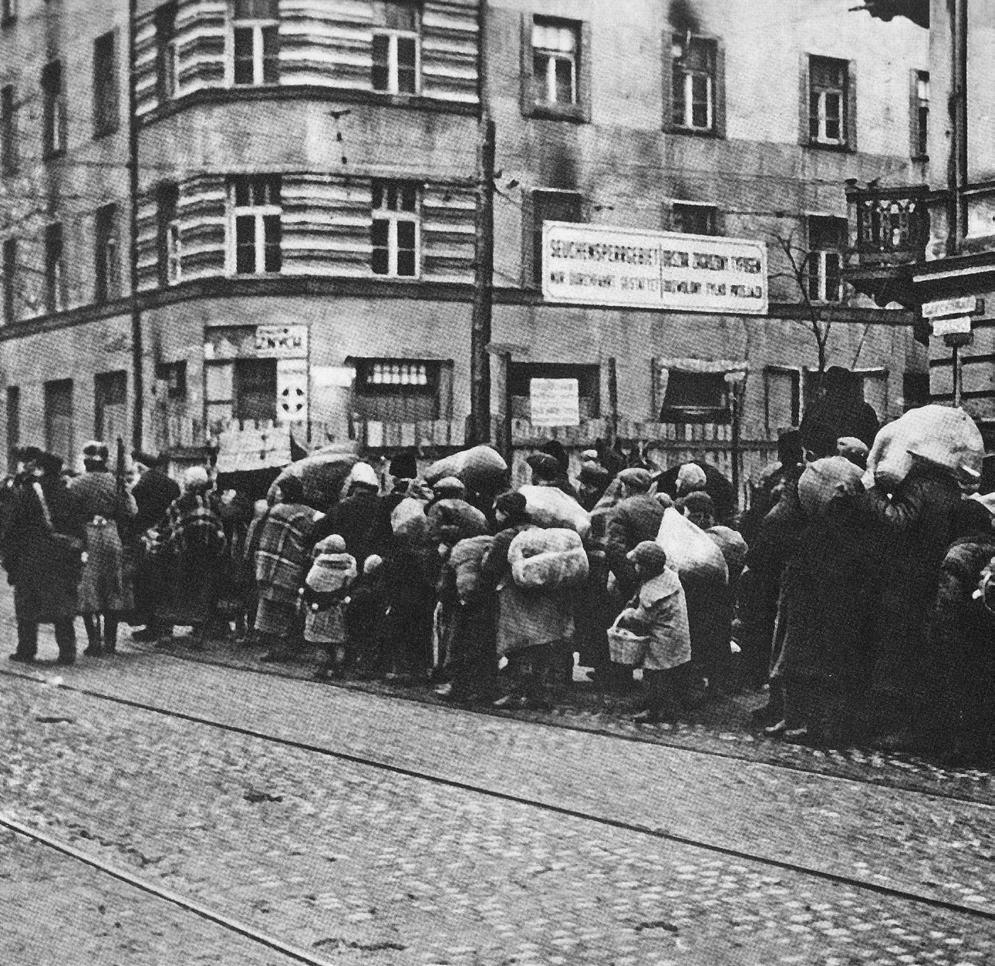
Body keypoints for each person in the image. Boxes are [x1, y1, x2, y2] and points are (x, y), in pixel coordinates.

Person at [849, 454, 963, 750]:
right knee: (919, 652)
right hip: (933, 573)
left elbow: (896, 519)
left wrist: (871, 494)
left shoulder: (918, 485)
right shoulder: (951, 487)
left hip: (906, 577)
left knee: (895, 650)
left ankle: (898, 729)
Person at [483, 491, 574, 710]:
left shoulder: (505, 537)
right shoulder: (539, 533)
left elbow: (490, 569)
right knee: (539, 644)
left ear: (504, 513)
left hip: (516, 597)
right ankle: (538, 693)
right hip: (544, 596)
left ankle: (517, 693)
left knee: (517, 646)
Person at [1, 452, 84, 666]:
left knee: (27, 602)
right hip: (62, 556)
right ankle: (67, 652)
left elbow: (13, 526)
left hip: (33, 555)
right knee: (62, 603)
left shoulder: (28, 492)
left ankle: (27, 650)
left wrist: (9, 558)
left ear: (41, 468)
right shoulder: (68, 493)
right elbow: (79, 528)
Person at [69, 441, 137, 656]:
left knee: (89, 587)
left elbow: (68, 511)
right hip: (111, 534)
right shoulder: (117, 482)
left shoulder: (76, 483)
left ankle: (94, 642)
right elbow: (132, 510)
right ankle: (111, 642)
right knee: (113, 585)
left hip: (87, 535)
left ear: (87, 461)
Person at [612, 541, 692, 723]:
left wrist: (628, 615)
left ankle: (655, 710)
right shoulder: (668, 577)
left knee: (654, 674)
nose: (635, 567)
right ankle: (666, 705)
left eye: (638, 564)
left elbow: (642, 618)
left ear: (647, 568)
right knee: (669, 672)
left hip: (662, 638)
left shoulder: (653, 593)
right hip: (677, 632)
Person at [151, 466, 227, 648]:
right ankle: (198, 635)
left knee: (174, 592)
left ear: (186, 483)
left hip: (181, 555)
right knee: (201, 593)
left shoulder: (178, 503)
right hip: (206, 555)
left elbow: (169, 529)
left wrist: (160, 546)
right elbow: (218, 530)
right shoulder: (213, 503)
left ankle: (166, 635)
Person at [252, 475, 314, 662]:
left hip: (272, 567)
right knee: (289, 609)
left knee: (271, 609)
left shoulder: (277, 511)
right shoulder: (308, 513)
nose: (277, 494)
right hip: (292, 567)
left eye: (280, 490)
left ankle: (275, 650)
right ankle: (289, 647)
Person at [130, 451, 180, 642]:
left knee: (147, 584)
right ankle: (166, 626)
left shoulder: (142, 484)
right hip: (168, 537)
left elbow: (134, 512)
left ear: (141, 466)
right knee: (167, 583)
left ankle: (152, 626)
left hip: (146, 539)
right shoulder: (172, 484)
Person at [304, 534, 358, 680]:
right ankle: (338, 668)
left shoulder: (319, 564)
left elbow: (310, 582)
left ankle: (321, 668)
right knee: (338, 641)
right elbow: (349, 583)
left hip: (319, 609)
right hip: (337, 608)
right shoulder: (349, 564)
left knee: (320, 642)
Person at [309, 462, 381, 568]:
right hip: (370, 567)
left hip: (344, 566)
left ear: (354, 485)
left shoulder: (342, 506)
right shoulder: (383, 507)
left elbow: (318, 531)